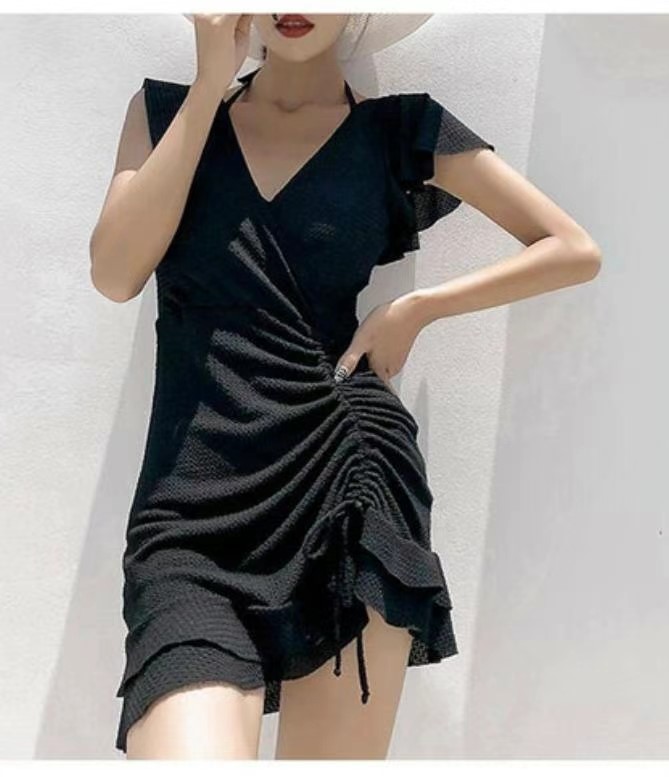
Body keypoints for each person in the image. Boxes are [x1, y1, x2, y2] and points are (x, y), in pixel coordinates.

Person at [89, 13, 602, 760]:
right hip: (189, 513)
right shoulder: (166, 112)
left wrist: (418, 307)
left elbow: (572, 248)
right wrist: (207, 88)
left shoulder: (398, 131)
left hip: (347, 486)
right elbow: (114, 275)